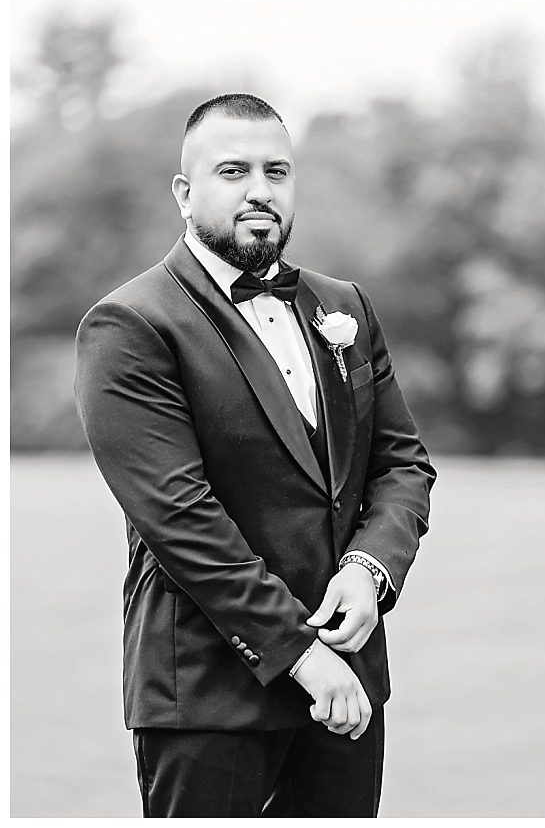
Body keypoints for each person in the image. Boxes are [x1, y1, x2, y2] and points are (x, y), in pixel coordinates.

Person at [74, 93, 435, 817]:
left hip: (350, 690)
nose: (260, 190)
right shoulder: (131, 325)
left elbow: (402, 465)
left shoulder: (347, 308)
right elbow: (182, 521)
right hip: (209, 698)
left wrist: (370, 573)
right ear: (185, 192)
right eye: (233, 171)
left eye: (277, 171)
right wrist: (304, 658)